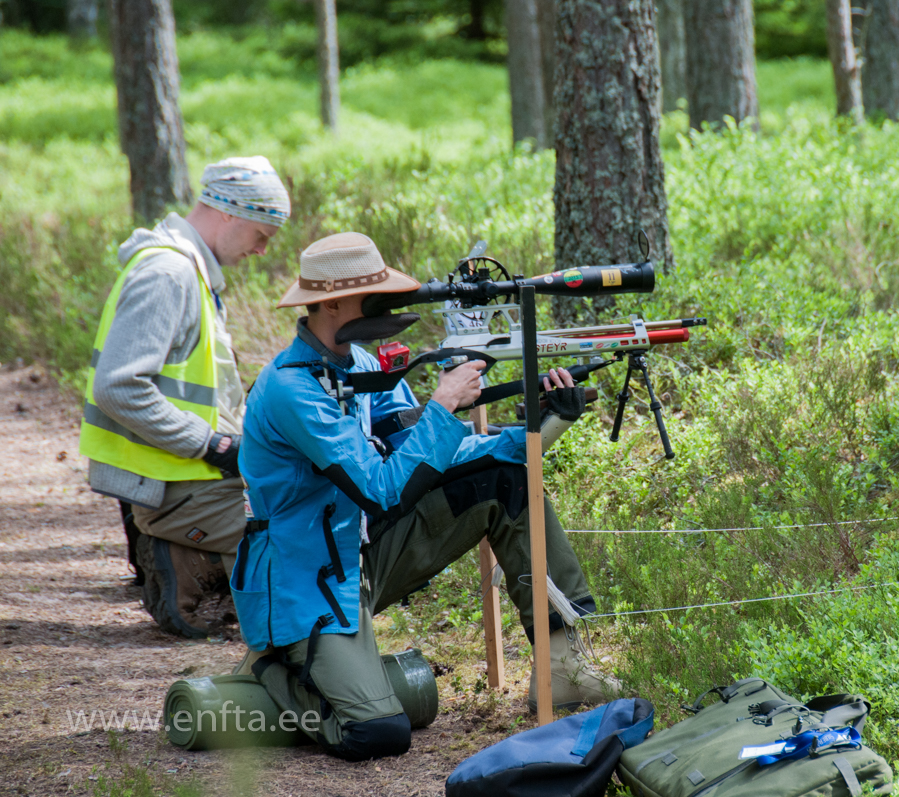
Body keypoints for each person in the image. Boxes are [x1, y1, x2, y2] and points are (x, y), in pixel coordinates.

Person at [234, 232, 619, 760]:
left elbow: (435, 457)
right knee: (378, 732)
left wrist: (543, 422)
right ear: (330, 304)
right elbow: (381, 490)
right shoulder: (291, 389)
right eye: (378, 296)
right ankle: (270, 665)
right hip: (307, 583)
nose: (391, 307)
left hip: (366, 555)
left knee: (504, 479)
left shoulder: (363, 366)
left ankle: (565, 666)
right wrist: (442, 405)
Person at [79, 156, 291, 639]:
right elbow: (118, 385)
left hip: (189, 475)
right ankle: (183, 564)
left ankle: (197, 561)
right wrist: (212, 445)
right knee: (302, 536)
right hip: (177, 483)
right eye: (263, 234)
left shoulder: (189, 272)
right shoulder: (168, 274)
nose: (262, 250)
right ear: (230, 213)